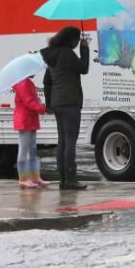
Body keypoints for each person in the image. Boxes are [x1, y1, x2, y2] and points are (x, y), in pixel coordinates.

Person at [41, 25, 89, 190]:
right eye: (77, 40)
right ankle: (70, 180)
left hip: (57, 103)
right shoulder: (67, 54)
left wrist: (49, 104)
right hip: (70, 103)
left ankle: (63, 179)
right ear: (71, 40)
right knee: (70, 142)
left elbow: (46, 82)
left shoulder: (52, 55)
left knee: (62, 142)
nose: (77, 43)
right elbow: (84, 68)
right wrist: (85, 50)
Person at [12, 76, 50, 188]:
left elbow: (32, 100)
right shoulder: (23, 83)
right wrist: (43, 109)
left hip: (30, 119)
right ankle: (23, 179)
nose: (35, 73)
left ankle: (35, 177)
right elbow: (28, 102)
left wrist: (39, 102)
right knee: (24, 149)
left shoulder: (28, 82)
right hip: (24, 119)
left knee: (32, 149)